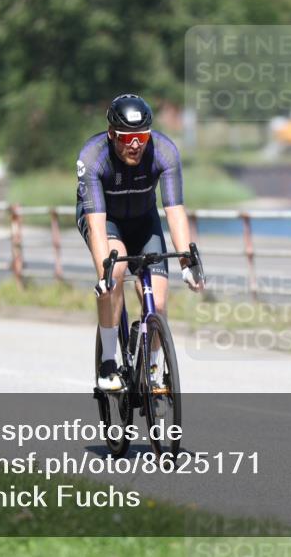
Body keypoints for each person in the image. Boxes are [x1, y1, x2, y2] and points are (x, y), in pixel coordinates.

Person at [76, 94, 204, 391]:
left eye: (142, 136)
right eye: (127, 137)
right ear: (111, 134)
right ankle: (108, 362)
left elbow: (175, 212)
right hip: (105, 220)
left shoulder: (164, 151)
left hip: (144, 220)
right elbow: (96, 225)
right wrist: (104, 276)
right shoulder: (93, 157)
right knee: (116, 272)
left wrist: (188, 263)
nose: (136, 144)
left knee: (157, 302)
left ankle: (153, 369)